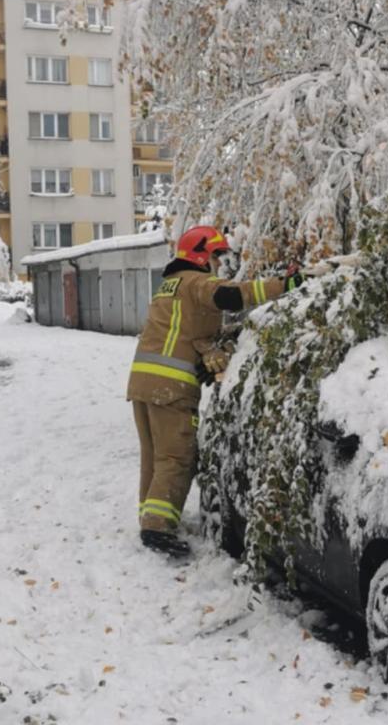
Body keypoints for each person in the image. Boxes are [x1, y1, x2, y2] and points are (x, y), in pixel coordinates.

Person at [127, 225, 304, 558]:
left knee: (154, 456)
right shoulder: (197, 283)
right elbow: (233, 296)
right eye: (215, 256)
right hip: (169, 387)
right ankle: (157, 530)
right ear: (200, 255)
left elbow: (190, 331)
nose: (219, 264)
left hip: (143, 383)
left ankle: (151, 517)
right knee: (177, 457)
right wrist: (286, 284)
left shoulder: (170, 285)